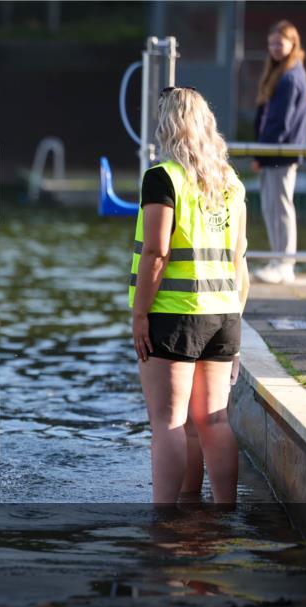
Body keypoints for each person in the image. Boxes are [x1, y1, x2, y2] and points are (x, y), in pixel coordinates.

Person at [130, 87, 250, 505]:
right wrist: (237, 319)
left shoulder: (162, 177)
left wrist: (140, 314)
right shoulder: (230, 183)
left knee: (168, 423)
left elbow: (156, 251)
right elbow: (240, 260)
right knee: (213, 421)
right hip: (224, 315)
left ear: (168, 124)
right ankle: (221, 512)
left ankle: (164, 523)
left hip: (174, 314)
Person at [251, 20, 306, 285]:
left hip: (280, 154)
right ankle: (278, 260)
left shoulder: (291, 77)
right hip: (274, 153)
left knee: (280, 207)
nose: (275, 47)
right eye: (271, 42)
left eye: (280, 42)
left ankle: (284, 263)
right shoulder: (281, 73)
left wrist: (260, 155)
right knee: (271, 206)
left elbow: (281, 122)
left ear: (292, 43)